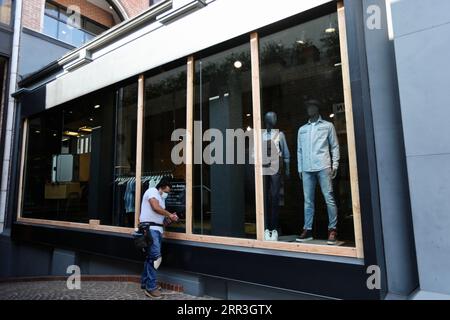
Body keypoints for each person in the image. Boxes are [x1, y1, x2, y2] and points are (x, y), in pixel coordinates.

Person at [140, 178, 178, 298]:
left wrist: (170, 219)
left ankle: (146, 283)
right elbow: (155, 208)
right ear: (161, 187)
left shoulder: (161, 199)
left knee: (150, 257)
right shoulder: (152, 191)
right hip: (150, 229)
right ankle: (151, 288)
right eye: (166, 191)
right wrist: (169, 214)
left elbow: (161, 220)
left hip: (157, 230)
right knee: (155, 257)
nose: (167, 193)